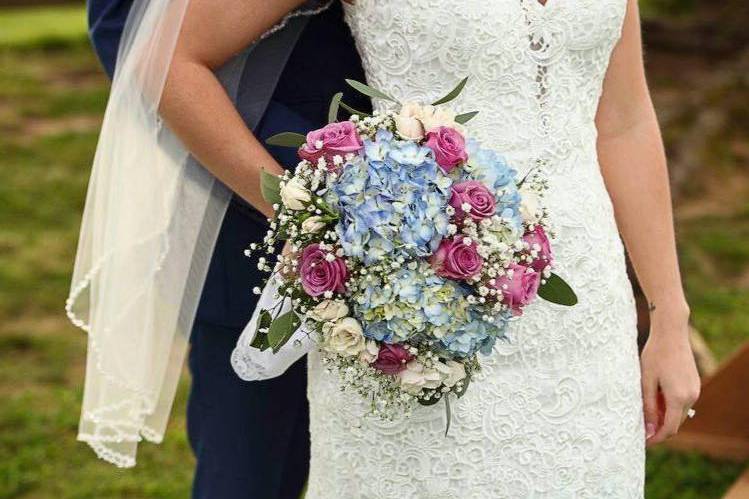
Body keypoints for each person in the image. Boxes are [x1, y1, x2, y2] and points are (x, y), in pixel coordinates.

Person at [72, 0, 701, 497]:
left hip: (583, 314)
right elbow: (168, 61)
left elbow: (623, 121)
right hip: (416, 297)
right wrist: (310, 216)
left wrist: (670, 314)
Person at [78, 1, 369, 498]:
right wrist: (307, 189)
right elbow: (127, 28)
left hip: (456, 221)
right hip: (257, 223)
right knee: (252, 466)